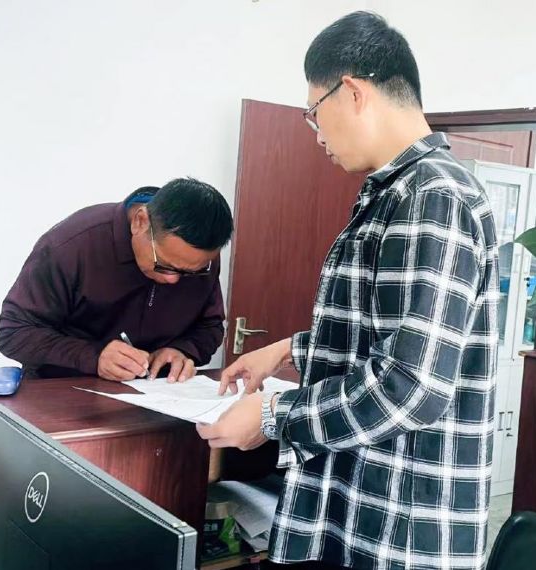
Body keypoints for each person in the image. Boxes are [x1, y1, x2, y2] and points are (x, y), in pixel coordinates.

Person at [198, 11, 499, 569]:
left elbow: (410, 386)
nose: (316, 134)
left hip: (398, 525)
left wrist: (272, 415)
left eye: (314, 112)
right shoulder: (395, 192)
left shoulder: (432, 197)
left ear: (353, 92)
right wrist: (287, 350)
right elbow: (382, 334)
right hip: (363, 504)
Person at [0, 177, 232, 382]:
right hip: (65, 393)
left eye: (190, 272)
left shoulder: (197, 258)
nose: (173, 280)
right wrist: (93, 357)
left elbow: (210, 327)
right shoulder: (73, 245)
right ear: (140, 222)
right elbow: (13, 331)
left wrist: (182, 350)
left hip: (159, 395)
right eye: (164, 265)